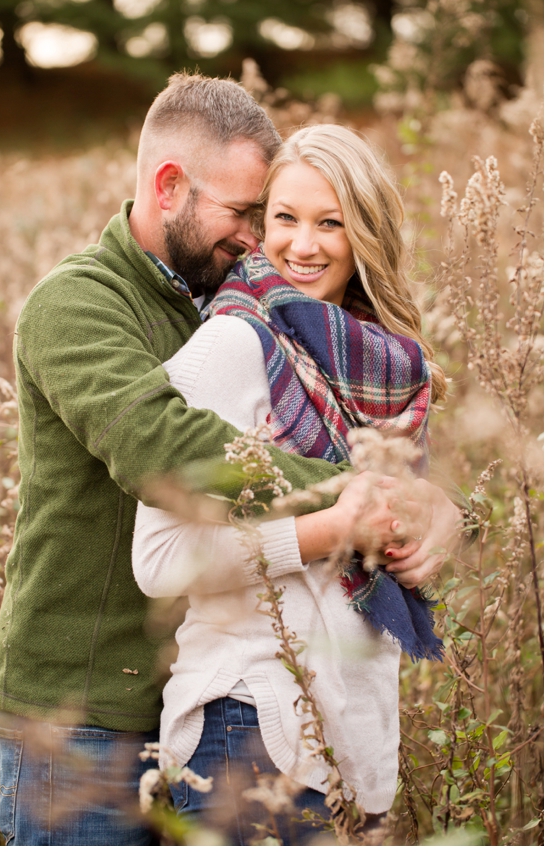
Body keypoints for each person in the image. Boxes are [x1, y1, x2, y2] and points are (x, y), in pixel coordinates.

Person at [0, 75, 452, 846]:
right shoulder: (77, 305)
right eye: (246, 213)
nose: (257, 239)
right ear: (169, 187)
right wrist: (362, 497)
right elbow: (161, 447)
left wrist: (431, 508)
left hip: (197, 697)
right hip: (84, 715)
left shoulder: (246, 302)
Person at [132, 124, 462, 843]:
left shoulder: (383, 365)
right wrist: (333, 529)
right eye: (284, 218)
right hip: (250, 730)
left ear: (366, 235)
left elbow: (397, 514)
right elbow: (157, 562)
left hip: (353, 743)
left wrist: (438, 523)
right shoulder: (231, 345)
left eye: (330, 223)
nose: (302, 245)